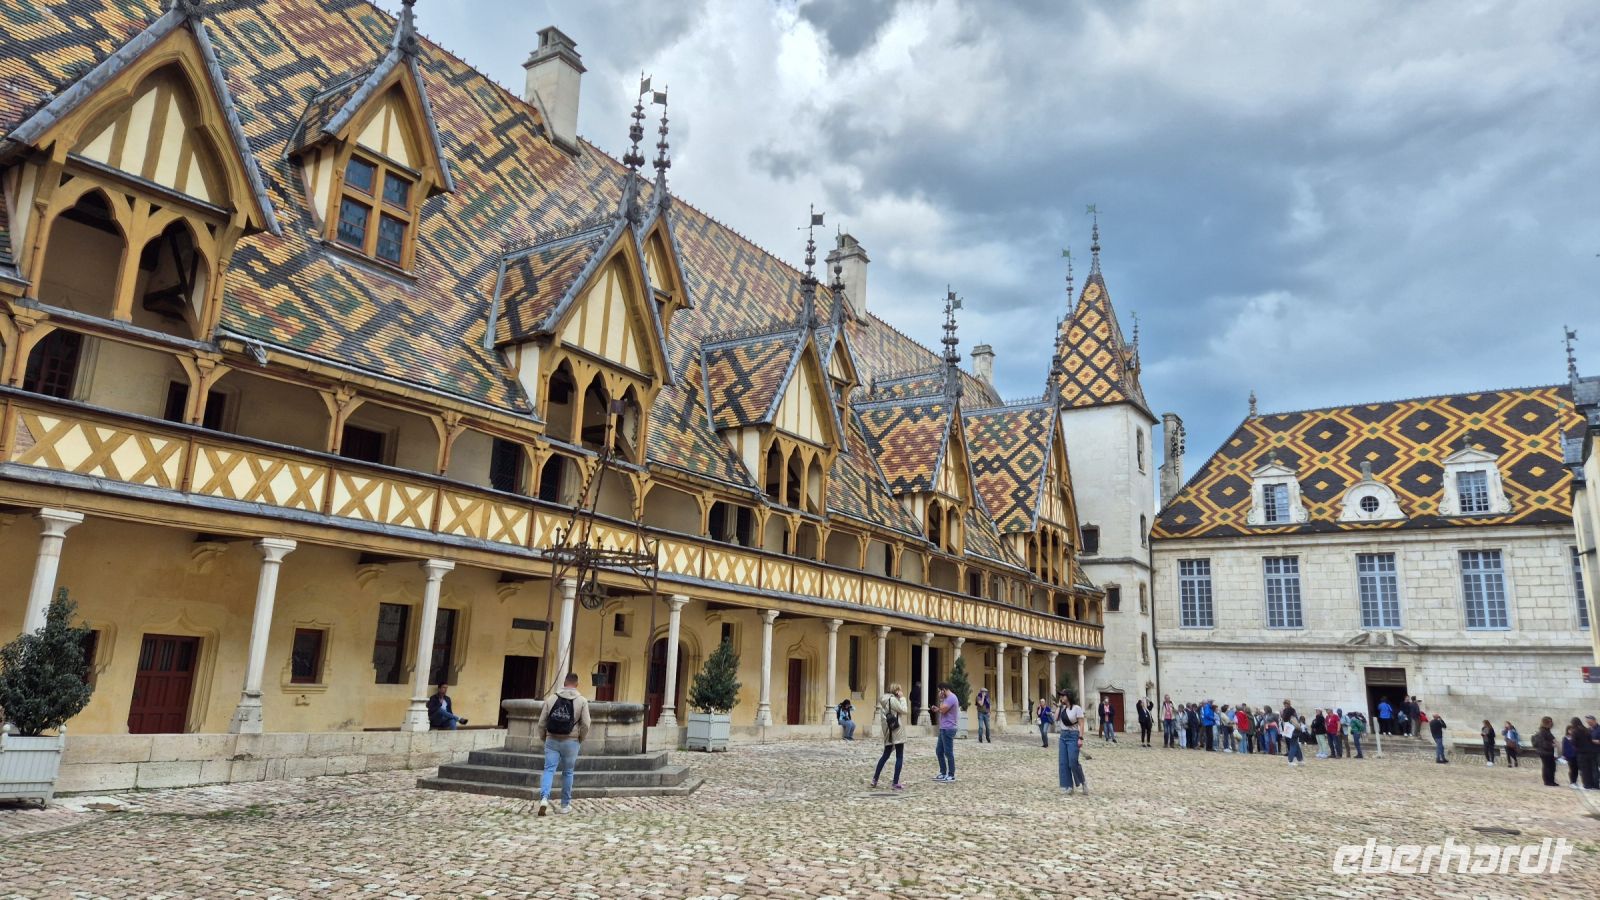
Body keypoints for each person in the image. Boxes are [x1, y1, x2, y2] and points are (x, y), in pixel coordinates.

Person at [534, 673, 591, 816]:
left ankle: (544, 798)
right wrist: (580, 738)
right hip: (571, 741)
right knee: (568, 772)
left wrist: (544, 737)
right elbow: (586, 723)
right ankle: (565, 805)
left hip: (552, 739)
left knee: (549, 769)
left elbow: (541, 722)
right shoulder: (582, 701)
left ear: (564, 683)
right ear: (577, 684)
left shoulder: (551, 698)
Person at [871, 683, 908, 790]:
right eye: (899, 690)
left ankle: (875, 779)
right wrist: (903, 698)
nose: (901, 691)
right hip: (897, 730)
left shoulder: (884, 701)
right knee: (899, 756)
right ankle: (895, 782)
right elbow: (904, 710)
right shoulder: (893, 700)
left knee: (885, 755)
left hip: (889, 730)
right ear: (896, 691)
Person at [1056, 690, 1088, 795]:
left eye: (1063, 695)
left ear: (1068, 696)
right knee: (1063, 762)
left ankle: (1083, 782)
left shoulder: (1077, 708)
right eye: (1060, 696)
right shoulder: (1062, 709)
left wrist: (1080, 738)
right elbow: (1055, 718)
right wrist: (1059, 706)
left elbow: (1081, 724)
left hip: (1073, 736)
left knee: (1073, 762)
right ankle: (1068, 786)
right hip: (1063, 736)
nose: (1061, 697)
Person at [934, 682, 959, 782]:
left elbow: (943, 710)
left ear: (943, 690)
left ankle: (951, 774)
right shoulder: (946, 699)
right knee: (939, 751)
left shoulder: (951, 698)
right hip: (943, 728)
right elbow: (942, 709)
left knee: (948, 752)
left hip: (949, 728)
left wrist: (941, 700)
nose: (939, 693)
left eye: (940, 691)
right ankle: (943, 772)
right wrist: (938, 708)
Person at [1571, 716, 1598, 790]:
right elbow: (1590, 740)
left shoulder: (1575, 731)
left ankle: (1587, 785)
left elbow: (1573, 742)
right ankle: (1592, 784)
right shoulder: (1586, 729)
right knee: (1590, 769)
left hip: (1581, 753)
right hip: (1589, 752)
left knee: (1584, 769)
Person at [1532, 717, 1558, 786]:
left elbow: (1551, 739)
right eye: (1550, 722)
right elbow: (1543, 743)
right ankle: (1548, 782)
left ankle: (1551, 781)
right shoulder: (1542, 731)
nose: (1551, 723)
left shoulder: (1547, 730)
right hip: (1544, 752)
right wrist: (1552, 745)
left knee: (1552, 766)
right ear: (1546, 723)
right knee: (1547, 767)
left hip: (1549, 752)